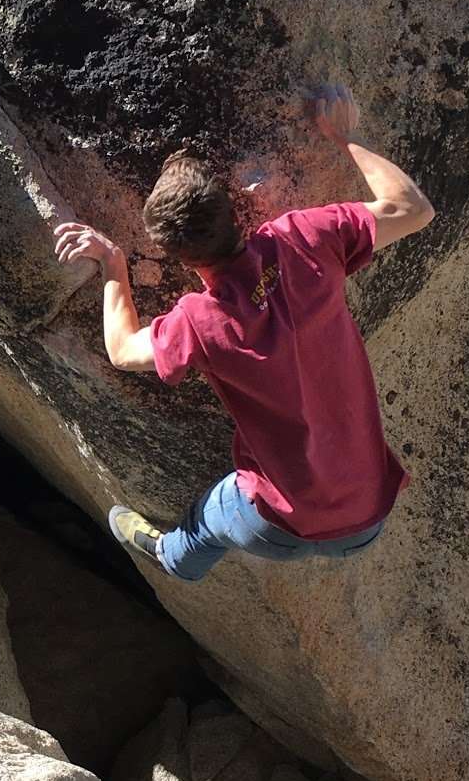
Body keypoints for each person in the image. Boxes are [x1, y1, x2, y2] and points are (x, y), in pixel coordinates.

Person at [52, 86, 434, 580]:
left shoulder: (199, 321)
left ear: (180, 257)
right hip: (366, 518)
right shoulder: (304, 239)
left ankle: (173, 556)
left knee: (210, 520)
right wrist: (343, 137)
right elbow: (413, 210)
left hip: (273, 528)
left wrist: (113, 263)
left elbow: (123, 350)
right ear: (235, 210)